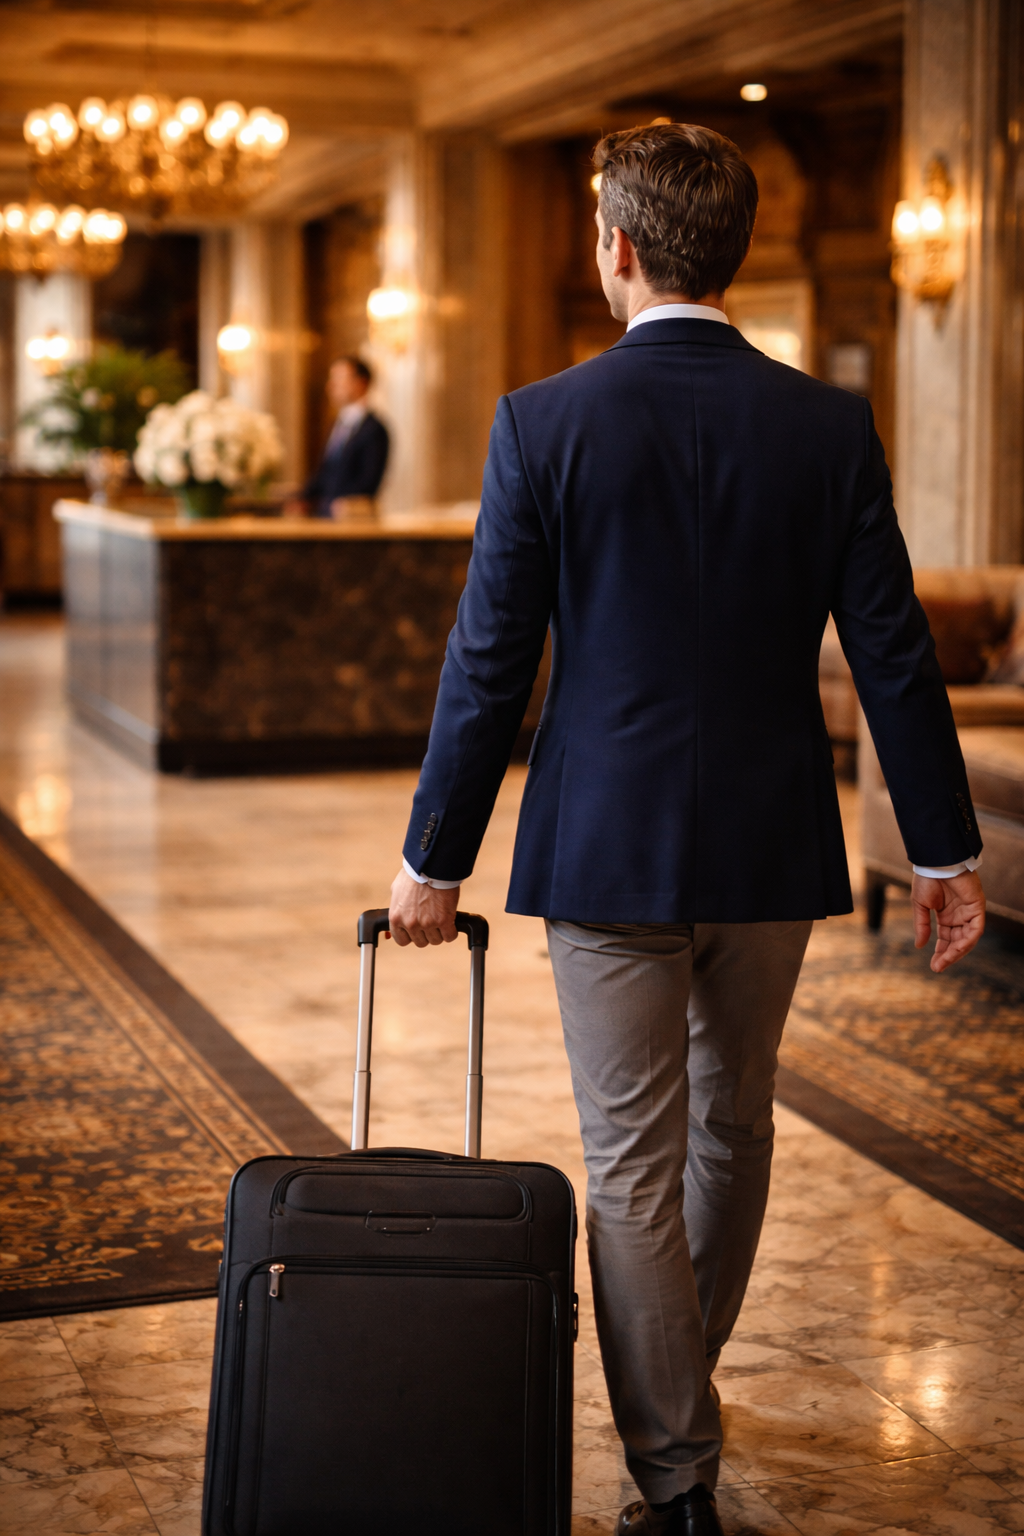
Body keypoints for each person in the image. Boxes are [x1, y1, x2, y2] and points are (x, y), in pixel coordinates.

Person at [387, 123, 986, 1536]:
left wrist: (433, 861)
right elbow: (894, 656)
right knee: (732, 1126)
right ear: (735, 251)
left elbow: (491, 659)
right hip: (773, 846)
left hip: (604, 845)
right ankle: (680, 1399)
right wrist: (948, 856)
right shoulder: (829, 424)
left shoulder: (545, 420)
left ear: (619, 248)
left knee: (633, 1160)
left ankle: (677, 1475)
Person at [285, 355, 389, 518]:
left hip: (351, 518)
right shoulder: (337, 425)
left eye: (339, 379)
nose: (331, 385)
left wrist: (337, 502)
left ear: (361, 383)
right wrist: (302, 497)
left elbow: (369, 481)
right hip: (324, 513)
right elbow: (325, 472)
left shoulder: (374, 429)